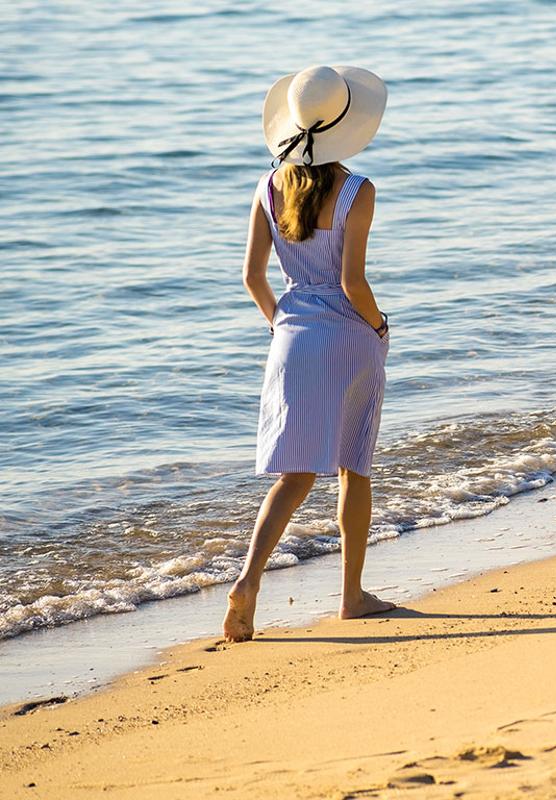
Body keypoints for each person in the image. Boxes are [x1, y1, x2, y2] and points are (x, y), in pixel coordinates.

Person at [223, 65, 395, 643]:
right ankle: (352, 597)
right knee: (354, 466)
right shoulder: (357, 191)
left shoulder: (266, 187)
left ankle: (248, 582)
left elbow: (252, 277)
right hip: (348, 339)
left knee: (293, 477)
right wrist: (379, 326)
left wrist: (285, 326)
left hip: (291, 339)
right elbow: (353, 284)